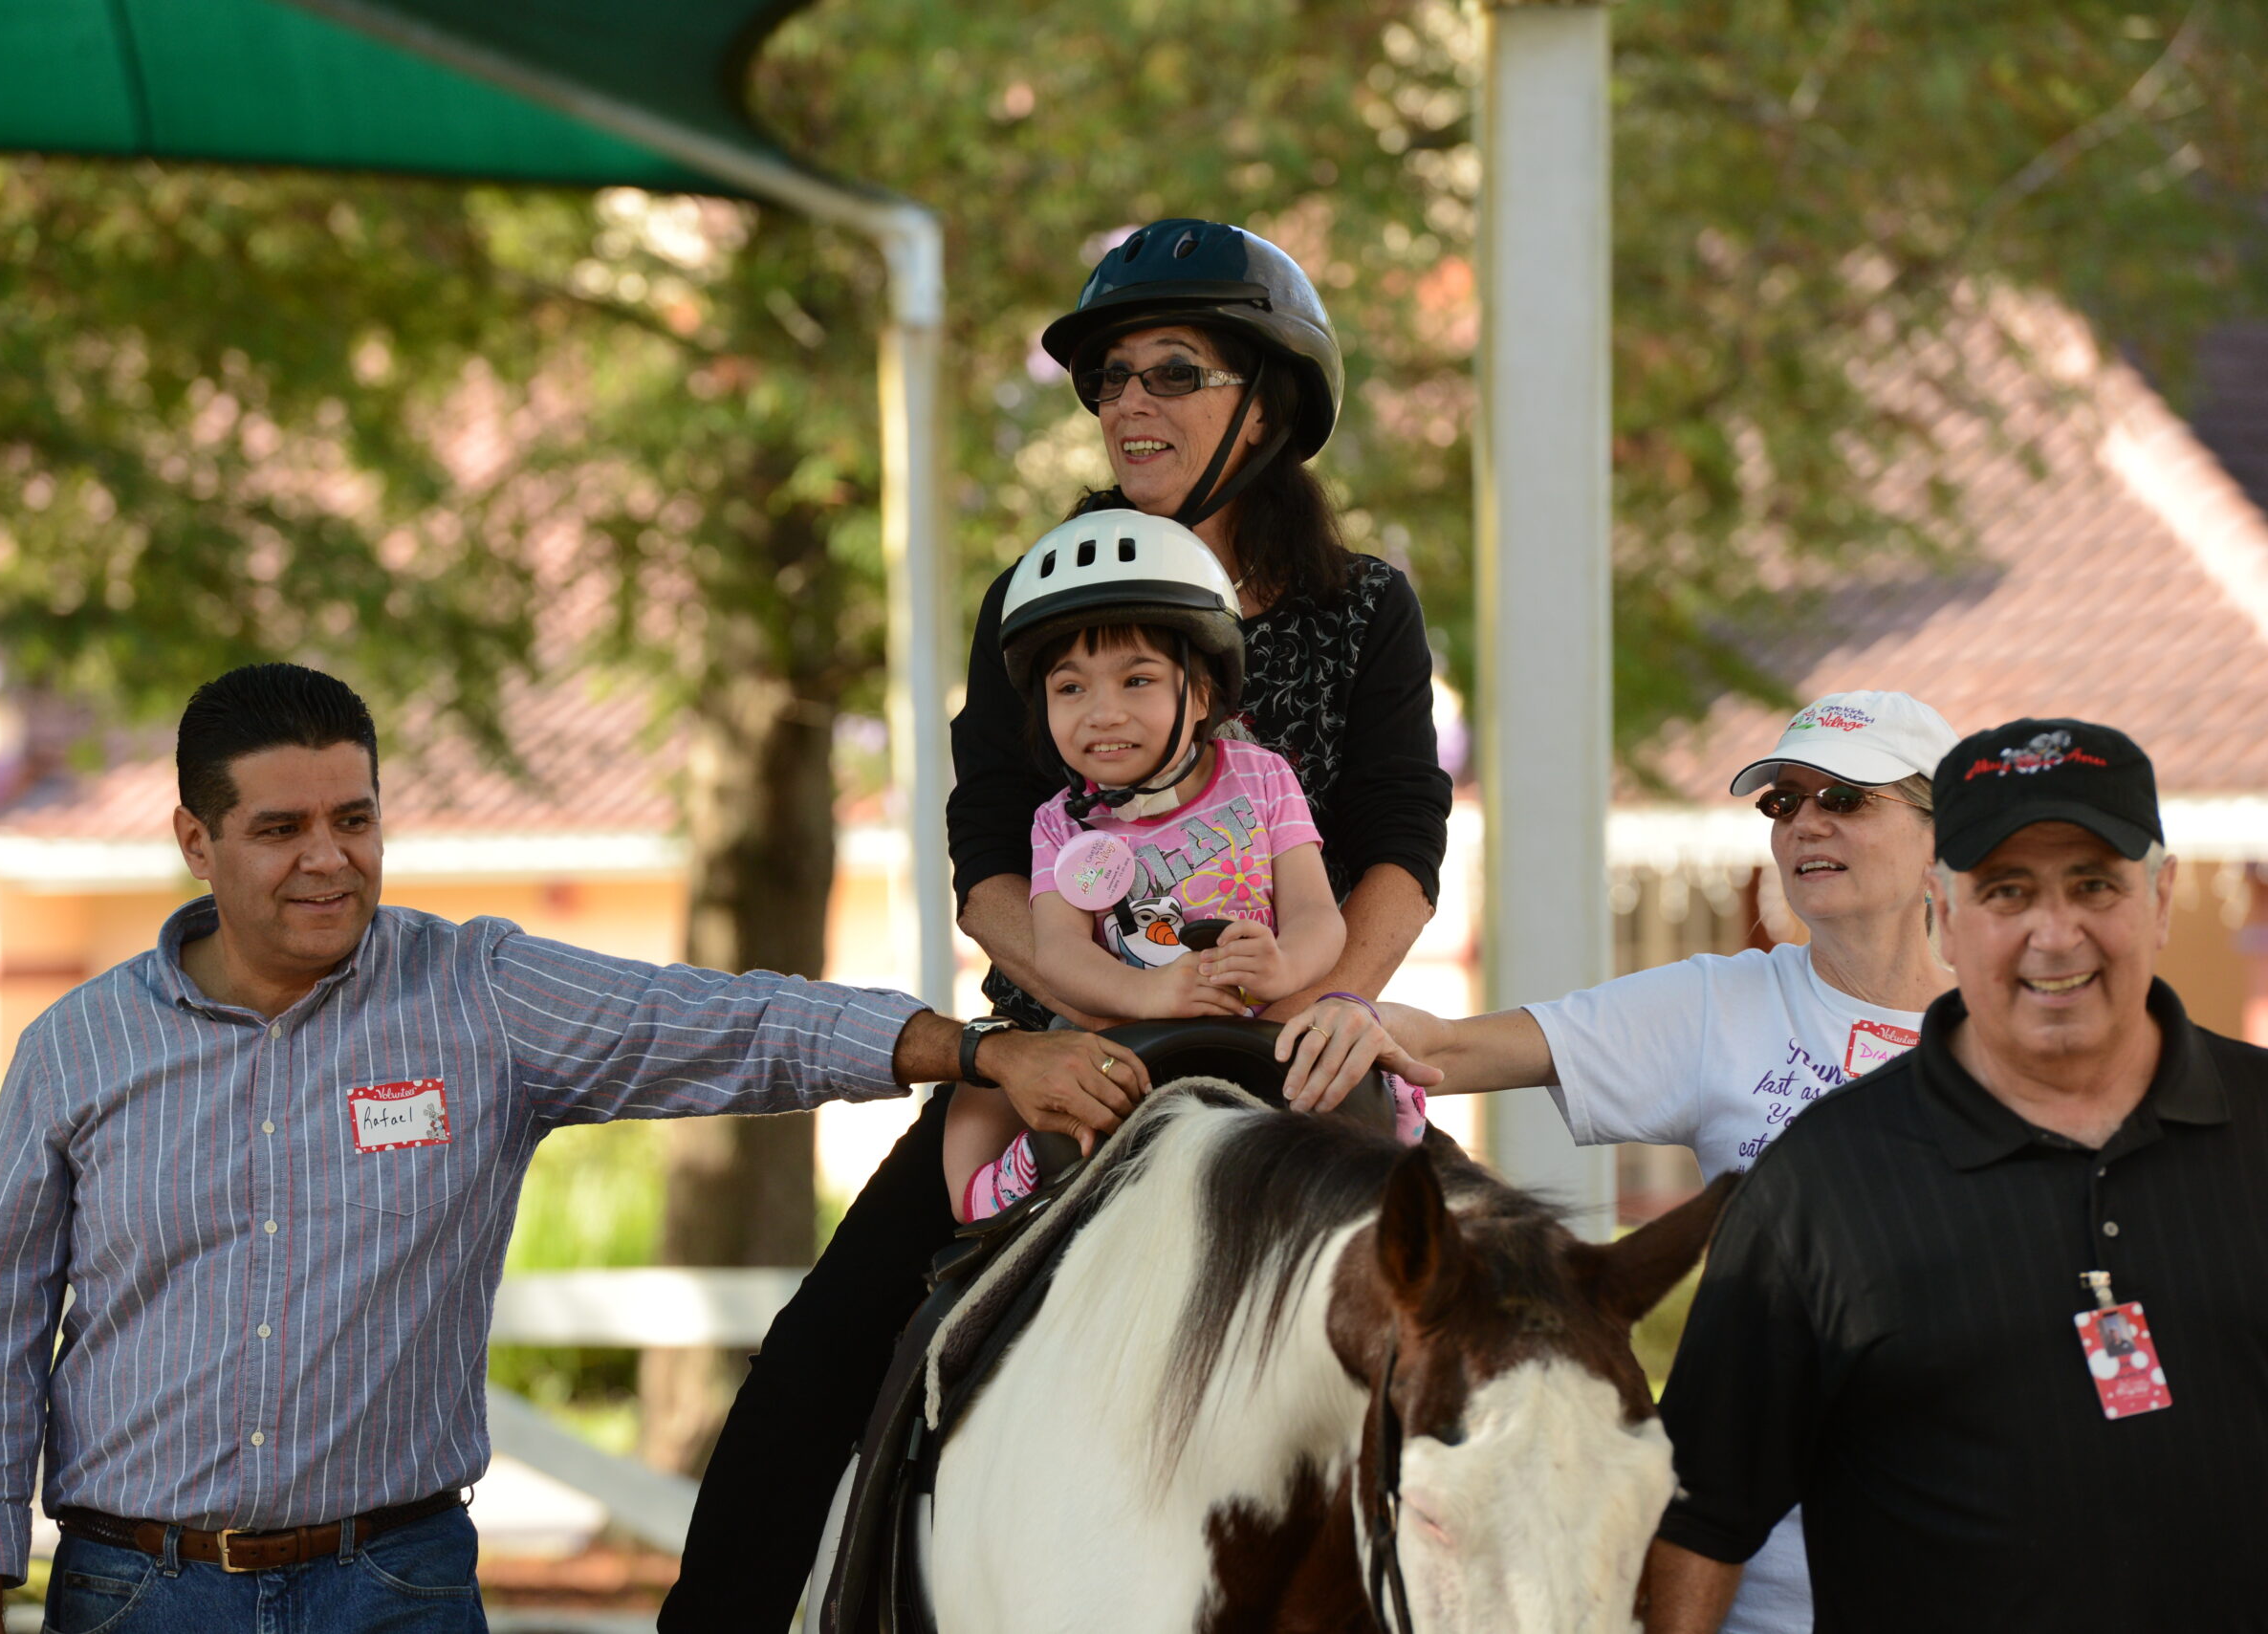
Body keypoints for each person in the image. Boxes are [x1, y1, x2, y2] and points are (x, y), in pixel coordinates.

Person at [0, 664, 1146, 1634]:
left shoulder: (478, 1001)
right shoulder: (78, 1049)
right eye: (280, 827)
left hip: (391, 1587)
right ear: (198, 840)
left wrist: (979, 1051)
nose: (328, 858)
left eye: (355, 817)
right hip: (140, 1595)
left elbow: (723, 1021)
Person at [663, 219, 1453, 1630]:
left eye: (1170, 371)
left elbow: (1400, 839)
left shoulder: (1365, 606)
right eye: (1106, 381)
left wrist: (1335, 1005)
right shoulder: (1041, 594)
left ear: (1267, 404)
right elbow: (986, 864)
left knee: (1501, 1332)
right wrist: (1095, 1017)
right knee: (805, 1377)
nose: (1127, 405)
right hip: (1064, 1050)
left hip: (1305, 1040)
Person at [1279, 688, 1960, 1634]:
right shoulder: (1719, 1004)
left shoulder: (2008, 1037)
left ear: (1946, 829)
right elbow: (1457, 1043)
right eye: (1783, 802)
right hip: (1746, 1580)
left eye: (1846, 798)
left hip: (1974, 1560)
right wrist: (1360, 1016)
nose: (1804, 822)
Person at [1643, 717, 2268, 1632]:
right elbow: (1701, 1516)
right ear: (1945, 905)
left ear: (2163, 897)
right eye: (2007, 892)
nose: (2055, 936)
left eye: (2094, 885)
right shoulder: (1820, 1186)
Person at [947, 511, 1361, 1220]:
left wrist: (1286, 967)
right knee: (988, 1086)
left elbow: (1318, 915)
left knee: (1371, 1080)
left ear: (1201, 693)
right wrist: (1150, 998)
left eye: (1136, 680)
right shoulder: (1060, 824)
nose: (1101, 712)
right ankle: (1013, 1193)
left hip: (1266, 1029)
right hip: (1128, 1040)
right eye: (1070, 689)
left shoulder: (1263, 780)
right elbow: (1062, 953)